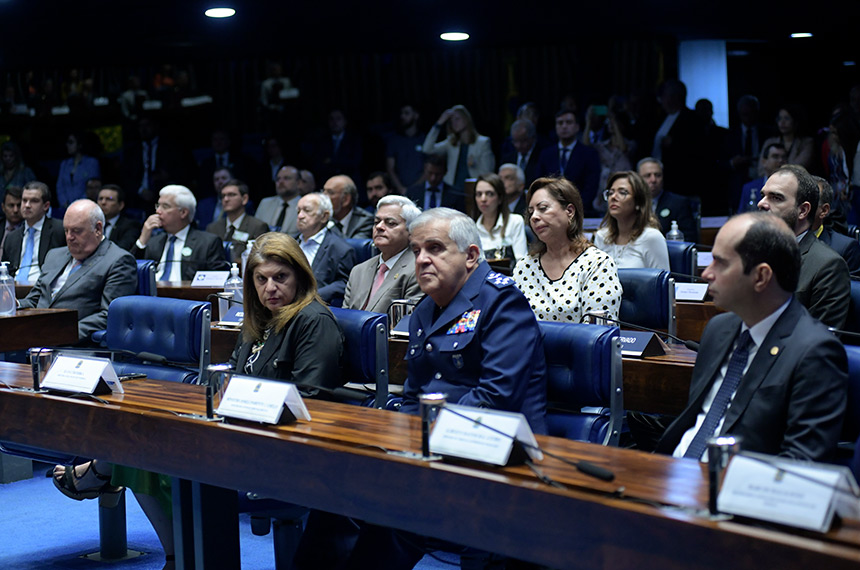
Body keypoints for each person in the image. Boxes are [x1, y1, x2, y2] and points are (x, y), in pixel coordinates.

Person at [295, 208, 548, 570]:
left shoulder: (502, 302)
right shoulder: (428, 307)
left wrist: (421, 442)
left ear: (472, 256)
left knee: (389, 507)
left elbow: (496, 398)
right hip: (438, 446)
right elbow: (415, 394)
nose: (422, 259)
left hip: (498, 453)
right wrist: (401, 445)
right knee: (338, 492)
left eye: (435, 248)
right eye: (416, 251)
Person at [656, 212, 847, 462]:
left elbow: (800, 463)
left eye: (720, 263)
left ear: (760, 277)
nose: (706, 273)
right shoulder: (718, 329)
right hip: (673, 470)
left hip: (734, 490)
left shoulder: (815, 352)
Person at [229, 232, 345, 389]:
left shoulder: (315, 321)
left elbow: (310, 395)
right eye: (261, 279)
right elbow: (232, 376)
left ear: (300, 277)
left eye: (280, 277)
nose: (270, 288)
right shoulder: (258, 316)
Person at [18, 199, 137, 343]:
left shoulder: (118, 261)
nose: (69, 237)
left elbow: (109, 315)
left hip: (74, 346)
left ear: (98, 229)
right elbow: (35, 299)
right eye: (66, 230)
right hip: (33, 339)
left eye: (76, 231)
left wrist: (59, 334)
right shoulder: (54, 255)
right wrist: (13, 304)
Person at [514, 177, 621, 323]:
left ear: (569, 211)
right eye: (531, 212)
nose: (534, 217)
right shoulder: (524, 266)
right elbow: (513, 324)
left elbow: (598, 334)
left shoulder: (597, 264)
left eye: (543, 208)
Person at [757, 164, 850, 328]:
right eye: (763, 195)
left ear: (803, 210)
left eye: (776, 198)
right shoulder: (752, 253)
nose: (761, 203)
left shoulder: (827, 266)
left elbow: (818, 341)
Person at [132, 185, 229, 283]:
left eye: (165, 206)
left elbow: (215, 284)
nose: (158, 211)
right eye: (158, 205)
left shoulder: (208, 243)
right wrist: (143, 240)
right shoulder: (153, 242)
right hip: (152, 295)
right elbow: (129, 272)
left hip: (186, 295)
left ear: (183, 212)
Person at [343, 195, 422, 312]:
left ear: (411, 231)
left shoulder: (418, 270)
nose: (379, 227)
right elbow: (344, 318)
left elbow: (407, 323)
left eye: (390, 223)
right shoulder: (358, 271)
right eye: (376, 222)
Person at [594, 171, 670, 270]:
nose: (613, 197)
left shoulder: (652, 238)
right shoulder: (602, 237)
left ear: (638, 202)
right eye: (610, 193)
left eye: (622, 192)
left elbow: (661, 283)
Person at [537, 108, 601, 215]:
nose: (564, 126)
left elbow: (591, 186)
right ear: (556, 127)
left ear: (577, 127)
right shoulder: (546, 154)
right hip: (549, 210)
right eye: (560, 123)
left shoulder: (589, 154)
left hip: (581, 211)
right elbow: (540, 182)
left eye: (569, 122)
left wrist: (575, 209)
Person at [295, 192, 355, 303]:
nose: (300, 216)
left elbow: (345, 283)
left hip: (315, 307)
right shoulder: (291, 242)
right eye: (298, 211)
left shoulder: (340, 249)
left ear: (324, 216)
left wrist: (313, 297)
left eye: (307, 211)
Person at [2, 181, 66, 284]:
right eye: (24, 200)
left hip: (44, 290)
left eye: (34, 201)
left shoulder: (59, 230)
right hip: (14, 290)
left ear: (46, 206)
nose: (27, 205)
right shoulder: (11, 237)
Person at [422, 105, 494, 191]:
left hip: (473, 189)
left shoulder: (482, 142)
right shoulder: (451, 142)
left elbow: (488, 171)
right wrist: (439, 124)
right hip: (452, 189)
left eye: (457, 119)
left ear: (466, 119)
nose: (454, 123)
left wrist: (474, 164)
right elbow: (427, 149)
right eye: (451, 121)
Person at [206, 179, 269, 263]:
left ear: (244, 199)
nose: (226, 199)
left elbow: (260, 260)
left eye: (231, 195)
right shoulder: (212, 228)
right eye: (223, 196)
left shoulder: (258, 226)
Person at [637, 157, 698, 242]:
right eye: (648, 176)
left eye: (658, 175)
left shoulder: (678, 203)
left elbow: (690, 238)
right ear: (638, 179)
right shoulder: (631, 203)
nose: (653, 180)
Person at [472, 173, 527, 262]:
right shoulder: (471, 229)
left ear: (500, 198)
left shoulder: (514, 221)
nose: (483, 199)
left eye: (489, 194)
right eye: (479, 194)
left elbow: (521, 262)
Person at [761, 105, 816, 174]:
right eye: (779, 118)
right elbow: (761, 170)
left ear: (795, 121)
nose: (782, 122)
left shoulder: (806, 142)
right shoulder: (769, 142)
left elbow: (798, 168)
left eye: (787, 118)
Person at [55, 132, 101, 211]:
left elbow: (93, 187)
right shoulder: (65, 164)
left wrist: (80, 205)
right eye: (67, 142)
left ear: (80, 144)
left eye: (71, 142)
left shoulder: (91, 163)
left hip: (85, 207)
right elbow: (60, 186)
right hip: (65, 208)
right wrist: (64, 202)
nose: (68, 145)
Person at [736, 142, 787, 214]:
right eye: (775, 156)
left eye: (784, 157)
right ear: (764, 162)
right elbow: (741, 217)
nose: (781, 160)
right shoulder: (749, 188)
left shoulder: (792, 188)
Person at [385, 104, 426, 193]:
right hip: (399, 190)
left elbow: (428, 168)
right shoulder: (394, 140)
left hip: (420, 190)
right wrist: (401, 188)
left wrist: (414, 189)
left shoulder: (424, 139)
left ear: (416, 115)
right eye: (402, 113)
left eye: (406, 113)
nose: (402, 116)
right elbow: (390, 168)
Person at [323, 174, 374, 238]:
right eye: (323, 192)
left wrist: (331, 225)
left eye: (330, 192)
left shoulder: (365, 221)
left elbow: (352, 247)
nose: (323, 197)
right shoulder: (322, 218)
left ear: (346, 200)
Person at [255, 165, 301, 234]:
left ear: (298, 183)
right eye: (278, 179)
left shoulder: (304, 205)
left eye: (286, 178)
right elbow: (255, 230)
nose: (281, 182)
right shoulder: (265, 203)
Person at [499, 118, 542, 188]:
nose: (519, 145)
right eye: (515, 141)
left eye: (523, 141)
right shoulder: (507, 159)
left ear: (533, 138)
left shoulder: (542, 156)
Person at [98, 184, 142, 251]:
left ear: (120, 205)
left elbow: (122, 250)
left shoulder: (130, 226)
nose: (103, 202)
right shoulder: (91, 224)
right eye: (100, 199)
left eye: (109, 199)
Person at [0, 185, 23, 252]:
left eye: (19, 205)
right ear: (3, 207)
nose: (15, 210)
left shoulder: (28, 229)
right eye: (11, 205)